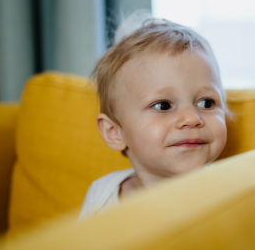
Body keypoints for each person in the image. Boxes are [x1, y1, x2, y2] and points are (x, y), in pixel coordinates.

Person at [79, 14, 228, 219]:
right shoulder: (101, 195)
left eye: (206, 103)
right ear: (114, 132)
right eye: (163, 105)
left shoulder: (231, 194)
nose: (192, 118)